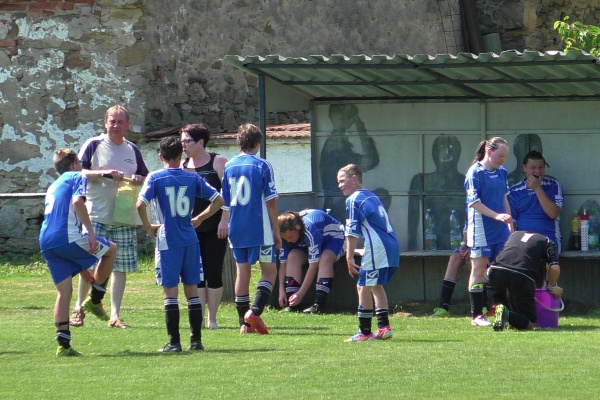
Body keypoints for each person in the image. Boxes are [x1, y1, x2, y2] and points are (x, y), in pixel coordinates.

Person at [137, 137, 224, 352]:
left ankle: (174, 342)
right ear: (181, 155)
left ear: (160, 156)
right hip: (190, 239)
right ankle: (196, 341)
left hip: (168, 239)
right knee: (192, 289)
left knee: (170, 291)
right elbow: (219, 200)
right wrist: (200, 218)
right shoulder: (192, 177)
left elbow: (140, 204)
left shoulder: (155, 177)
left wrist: (148, 227)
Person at [69, 105, 149, 329]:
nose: (115, 125)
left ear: (127, 125)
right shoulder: (94, 144)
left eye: (120, 122)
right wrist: (104, 173)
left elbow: (145, 176)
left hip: (124, 216)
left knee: (120, 268)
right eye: (112, 121)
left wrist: (139, 178)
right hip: (95, 215)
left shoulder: (132, 149)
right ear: (105, 123)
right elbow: (79, 173)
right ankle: (79, 308)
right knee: (88, 263)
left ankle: (115, 315)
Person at [40, 149, 118, 356]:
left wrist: (84, 270)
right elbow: (77, 201)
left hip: (47, 241)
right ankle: (94, 300)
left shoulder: (53, 185)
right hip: (66, 236)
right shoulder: (77, 175)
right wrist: (91, 232)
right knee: (111, 250)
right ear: (74, 163)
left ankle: (63, 346)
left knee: (64, 293)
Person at [221, 123, 282, 335]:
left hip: (237, 227)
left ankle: (244, 324)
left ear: (239, 142)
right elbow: (271, 200)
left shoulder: (229, 166)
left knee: (242, 273)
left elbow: (225, 201)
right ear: (257, 143)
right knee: (269, 270)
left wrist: (224, 222)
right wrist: (276, 229)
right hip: (259, 226)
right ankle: (254, 312)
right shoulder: (262, 165)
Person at [337, 164, 400, 342]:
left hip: (378, 247)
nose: (340, 185)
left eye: (342, 181)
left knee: (363, 285)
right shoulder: (371, 196)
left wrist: (349, 256)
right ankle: (384, 328)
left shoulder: (354, 199)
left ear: (354, 178)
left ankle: (364, 332)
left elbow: (352, 231)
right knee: (375, 285)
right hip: (392, 245)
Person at [180, 123, 229, 329]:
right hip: (191, 228)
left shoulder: (218, 161)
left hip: (216, 227)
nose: (183, 145)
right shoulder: (182, 166)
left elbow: (228, 194)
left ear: (200, 142)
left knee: (213, 272)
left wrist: (225, 220)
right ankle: (198, 319)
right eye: (182, 141)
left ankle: (212, 319)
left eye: (187, 141)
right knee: (196, 274)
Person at [465, 137, 513, 326]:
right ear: (489, 152)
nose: (503, 159)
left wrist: (509, 223)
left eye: (506, 156)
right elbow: (474, 203)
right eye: (501, 155)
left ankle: (499, 308)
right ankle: (477, 315)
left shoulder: (502, 171)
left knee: (501, 269)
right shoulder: (475, 173)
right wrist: (496, 216)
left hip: (500, 229)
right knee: (478, 269)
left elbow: (504, 198)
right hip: (481, 229)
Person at [487, 231, 563, 331]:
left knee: (500, 305)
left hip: (495, 270)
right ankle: (507, 314)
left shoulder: (514, 234)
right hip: (522, 274)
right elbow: (554, 268)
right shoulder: (547, 241)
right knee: (529, 324)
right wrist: (552, 287)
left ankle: (503, 314)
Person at [277, 209, 345, 313]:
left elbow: (314, 266)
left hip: (333, 238)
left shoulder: (310, 228)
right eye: (285, 238)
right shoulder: (286, 237)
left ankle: (318, 305)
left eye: (290, 236)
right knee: (292, 256)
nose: (288, 240)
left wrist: (300, 294)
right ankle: (292, 303)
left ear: (298, 227)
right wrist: (281, 291)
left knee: (325, 258)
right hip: (309, 242)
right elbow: (283, 264)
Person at [508, 151, 563, 254]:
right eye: (533, 167)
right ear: (524, 168)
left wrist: (537, 188)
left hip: (548, 237)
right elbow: (512, 224)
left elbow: (553, 213)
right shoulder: (514, 191)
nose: (537, 171)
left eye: (541, 167)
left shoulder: (553, 185)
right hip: (523, 239)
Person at [431, 233, 470, 317]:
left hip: (490, 244)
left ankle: (483, 306)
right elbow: (467, 229)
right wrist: (464, 245)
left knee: (477, 259)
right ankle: (444, 307)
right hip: (473, 244)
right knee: (454, 258)